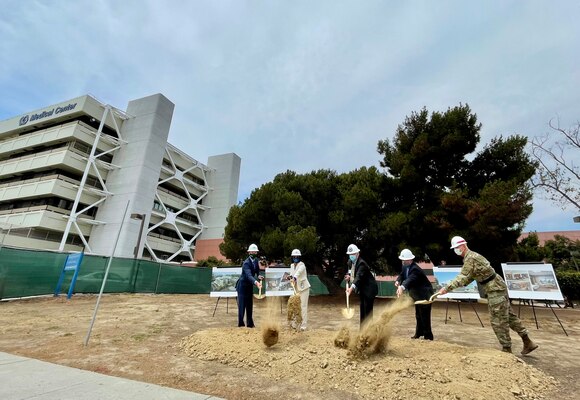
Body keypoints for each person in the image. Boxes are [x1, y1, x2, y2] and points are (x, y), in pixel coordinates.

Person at [436, 236, 539, 354]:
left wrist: (446, 288)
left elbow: (463, 277)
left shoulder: (471, 258)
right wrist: (450, 288)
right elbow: (469, 278)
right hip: (497, 288)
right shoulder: (471, 257)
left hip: (495, 289)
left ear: (463, 246)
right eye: (454, 248)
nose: (456, 250)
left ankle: (507, 349)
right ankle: (528, 342)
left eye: (457, 247)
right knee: (509, 317)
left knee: (498, 320)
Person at [395, 249, 434, 340]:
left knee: (424, 315)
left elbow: (410, 279)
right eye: (402, 260)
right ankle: (419, 333)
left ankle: (428, 336)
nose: (403, 261)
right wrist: (398, 281)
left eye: (405, 260)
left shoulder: (415, 269)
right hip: (416, 294)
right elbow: (402, 275)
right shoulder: (405, 266)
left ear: (410, 260)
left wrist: (402, 287)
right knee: (418, 314)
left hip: (425, 294)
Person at [345, 244, 378, 325]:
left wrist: (351, 288)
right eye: (350, 254)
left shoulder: (361, 264)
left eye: (353, 254)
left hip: (369, 289)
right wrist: (348, 276)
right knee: (362, 309)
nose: (351, 256)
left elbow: (358, 277)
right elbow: (350, 272)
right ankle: (362, 332)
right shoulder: (350, 262)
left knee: (368, 311)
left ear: (357, 254)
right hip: (362, 289)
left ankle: (369, 332)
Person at [236, 243, 263, 328]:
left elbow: (257, 272)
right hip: (242, 287)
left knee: (249, 305)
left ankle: (250, 324)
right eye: (252, 251)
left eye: (255, 252)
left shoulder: (256, 261)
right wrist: (256, 283)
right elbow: (249, 275)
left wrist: (259, 276)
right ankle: (241, 324)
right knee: (242, 306)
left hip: (249, 286)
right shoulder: (246, 263)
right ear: (248, 252)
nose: (254, 253)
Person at [287, 248, 311, 331]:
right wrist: (289, 277)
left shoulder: (302, 265)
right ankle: (294, 323)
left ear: (300, 257)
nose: (295, 258)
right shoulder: (291, 265)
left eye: (297, 256)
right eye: (294, 257)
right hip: (295, 289)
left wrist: (294, 277)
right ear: (292, 257)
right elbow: (292, 274)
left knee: (303, 307)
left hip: (304, 288)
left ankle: (303, 325)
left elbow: (298, 273)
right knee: (294, 306)